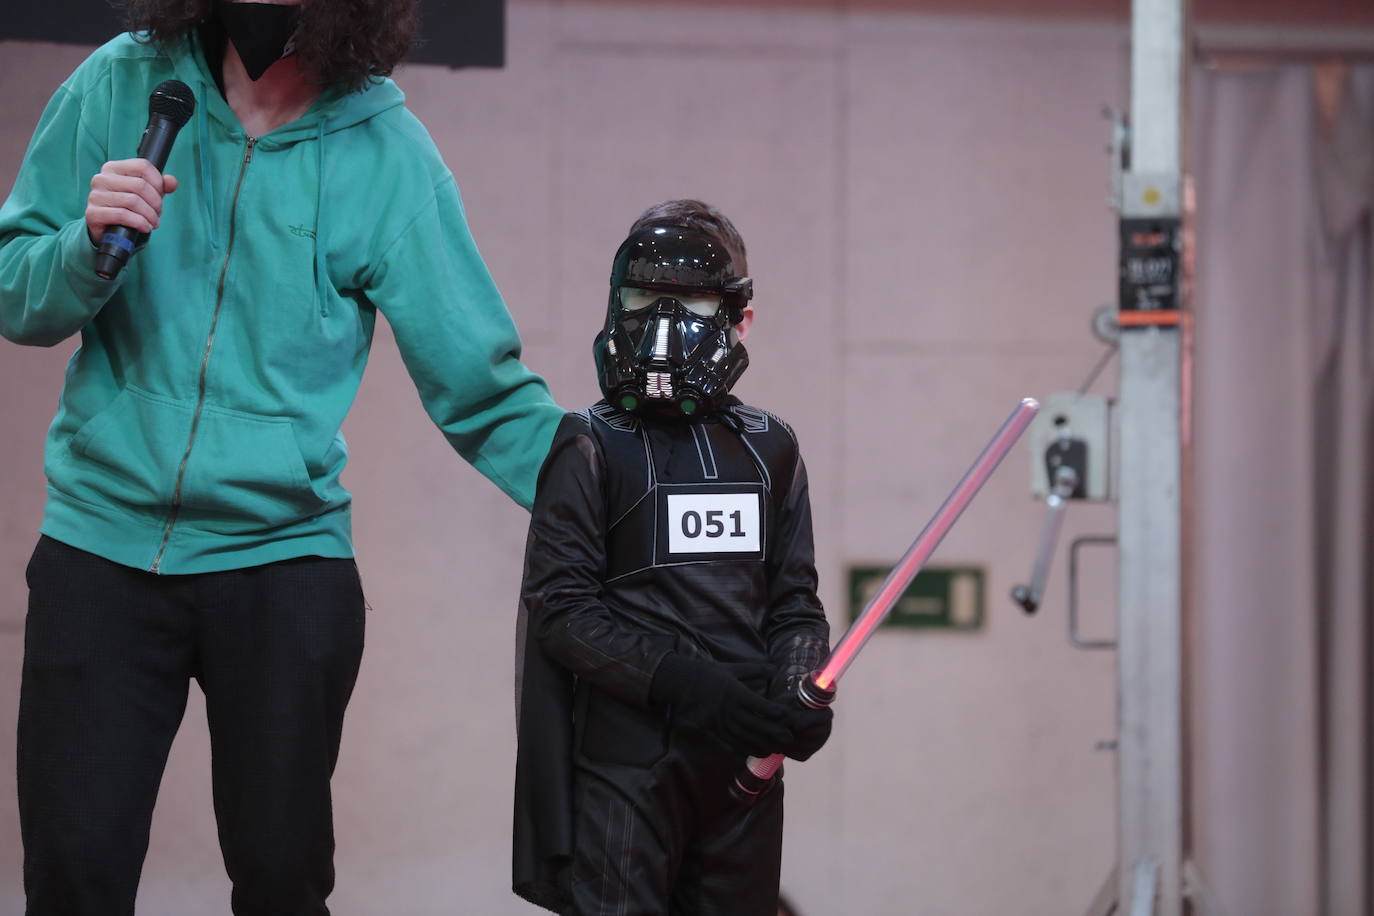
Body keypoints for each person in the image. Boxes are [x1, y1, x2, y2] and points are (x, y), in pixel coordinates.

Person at [0, 1, 562, 913]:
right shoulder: (121, 81)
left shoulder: (387, 150)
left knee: (282, 882)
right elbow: (16, 293)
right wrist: (80, 247)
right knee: (72, 875)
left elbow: (485, 389)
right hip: (99, 548)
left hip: (283, 561)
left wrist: (618, 497)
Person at [512, 200, 834, 915]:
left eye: (689, 299)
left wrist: (799, 689)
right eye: (642, 296)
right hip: (626, 767)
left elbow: (794, 604)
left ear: (739, 316)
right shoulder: (590, 444)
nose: (663, 321)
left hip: (742, 771)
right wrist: (691, 686)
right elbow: (561, 612)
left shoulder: (771, 447)